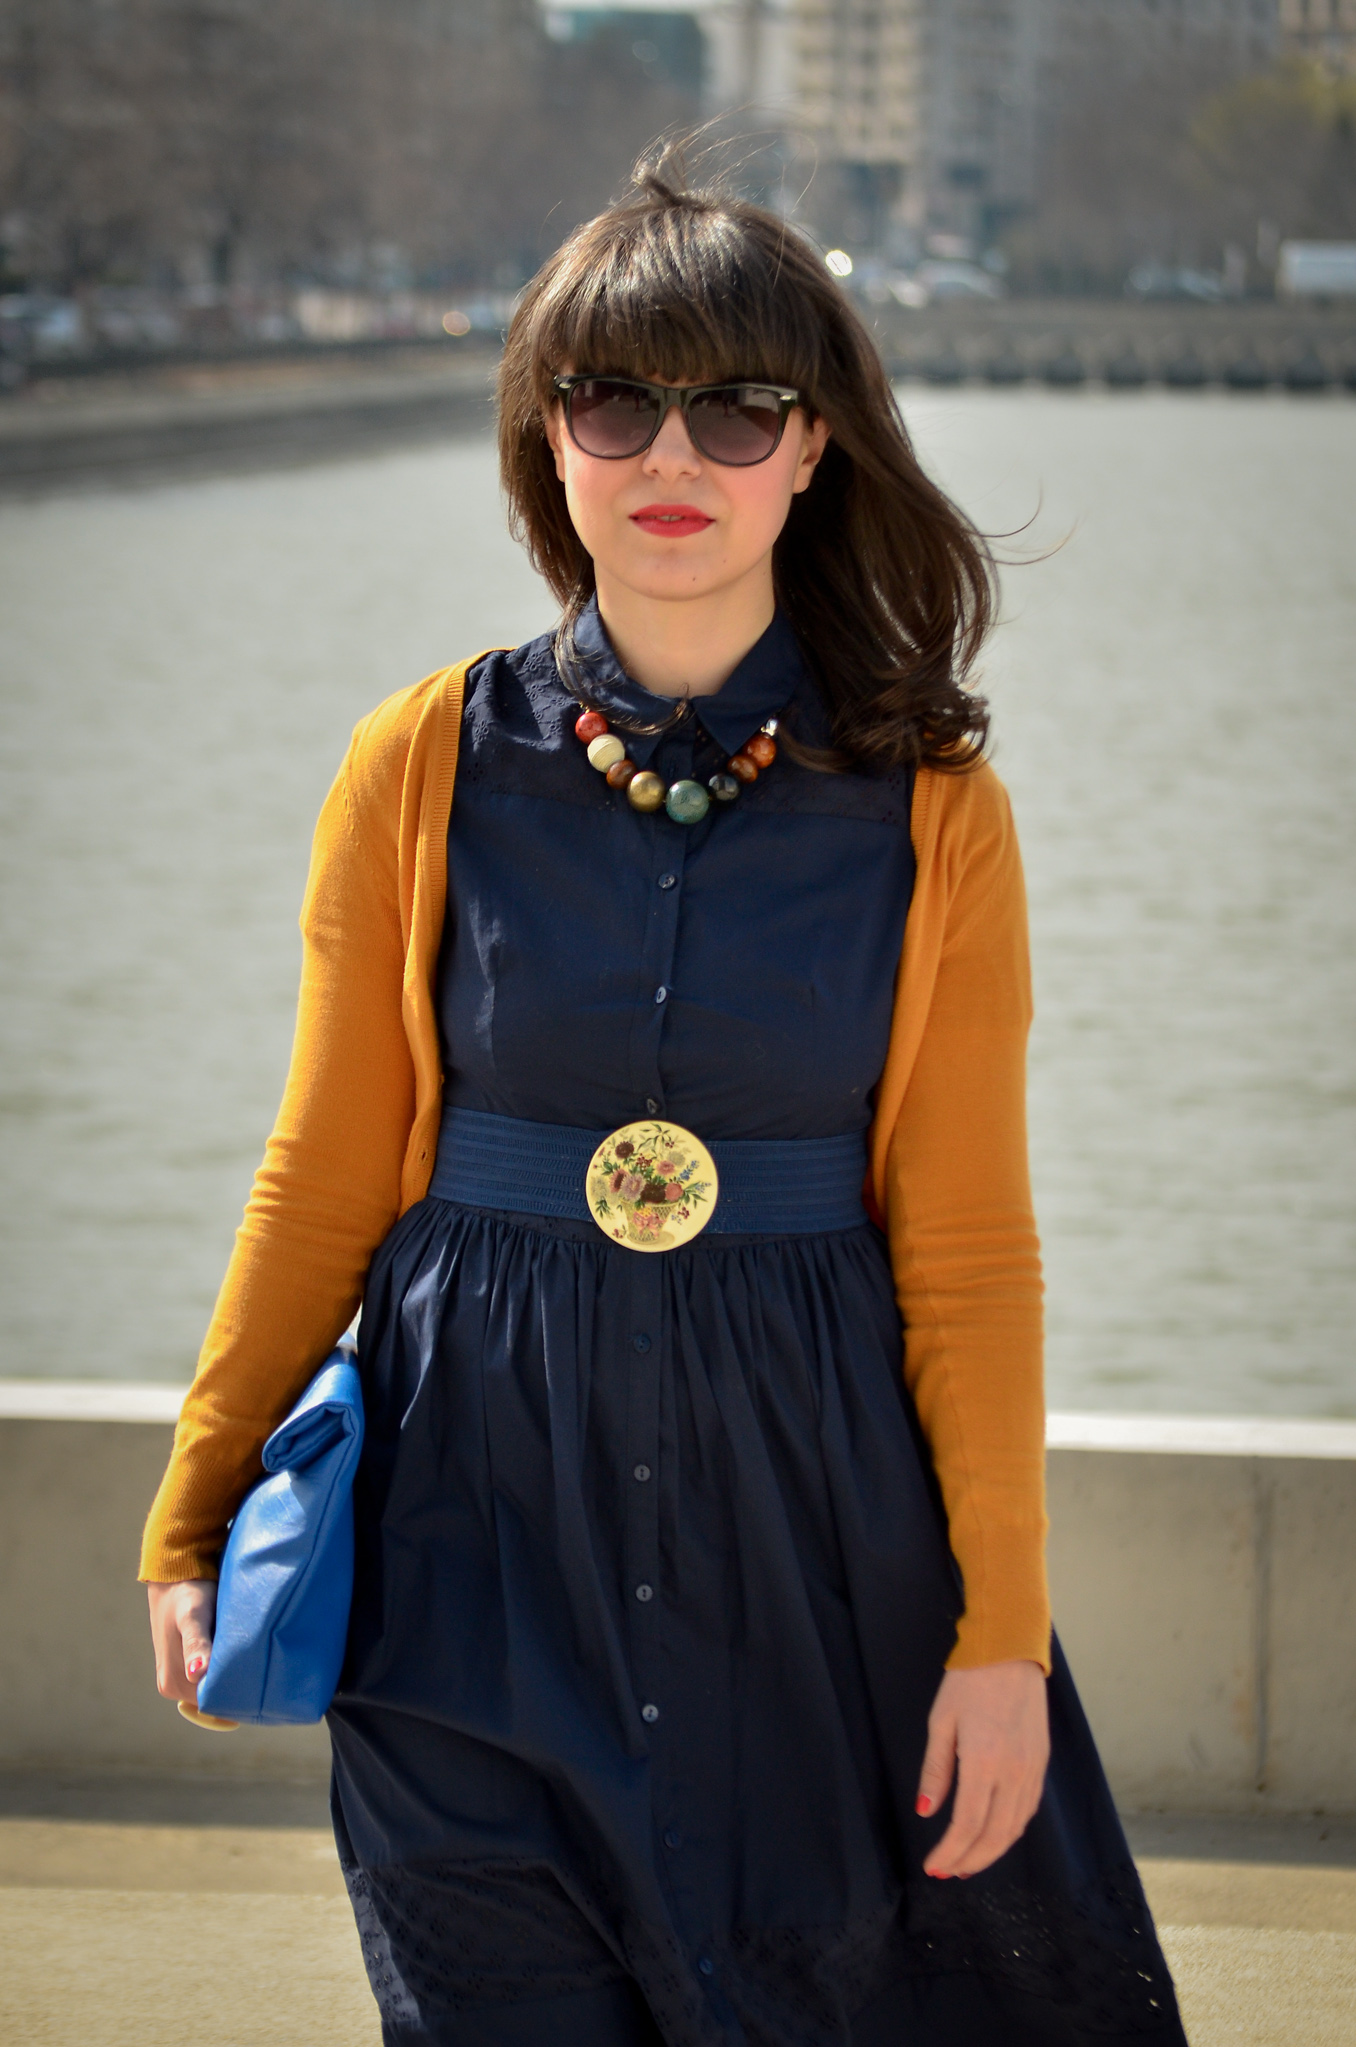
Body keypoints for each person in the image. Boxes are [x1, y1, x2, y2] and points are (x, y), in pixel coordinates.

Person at [143, 161, 1187, 2047]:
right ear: (550, 442)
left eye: (738, 405)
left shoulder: (938, 811)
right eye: (612, 401)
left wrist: (1002, 1635)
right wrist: (198, 1501)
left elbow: (965, 1252)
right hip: (469, 1540)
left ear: (815, 450)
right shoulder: (421, 762)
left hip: (819, 1550)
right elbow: (316, 1174)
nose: (669, 452)